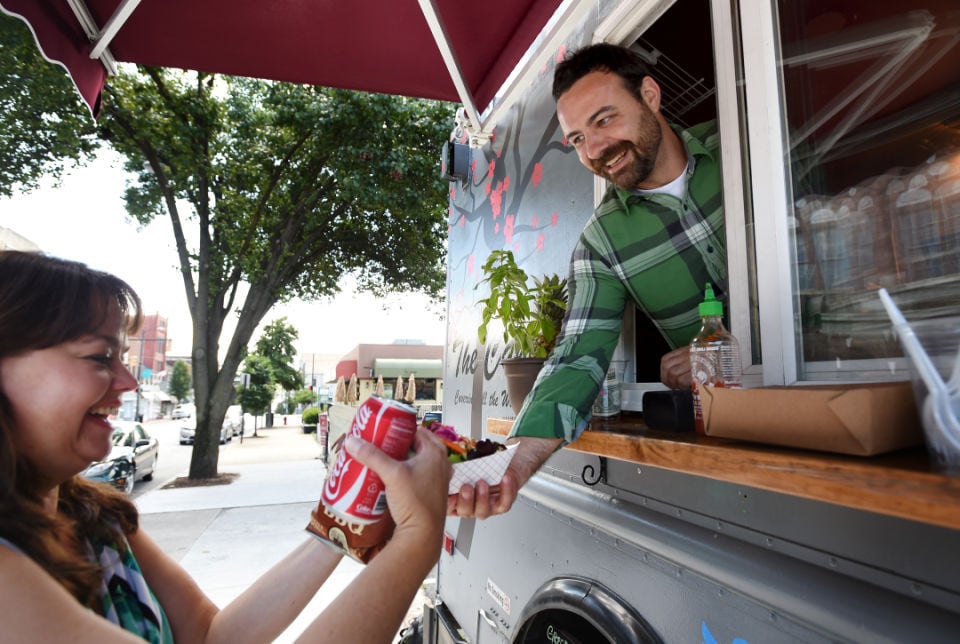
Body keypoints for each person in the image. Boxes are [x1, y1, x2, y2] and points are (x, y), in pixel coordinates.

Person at [0, 250, 451, 643]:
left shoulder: (98, 519)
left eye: (121, 357)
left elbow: (211, 635)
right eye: (100, 357)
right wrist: (418, 537)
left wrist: (345, 518)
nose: (128, 381)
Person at [449, 43, 726, 519]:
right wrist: (512, 468)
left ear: (650, 96)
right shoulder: (602, 242)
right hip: (741, 430)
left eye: (604, 120)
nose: (595, 150)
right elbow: (576, 358)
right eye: (577, 139)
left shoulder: (741, 140)